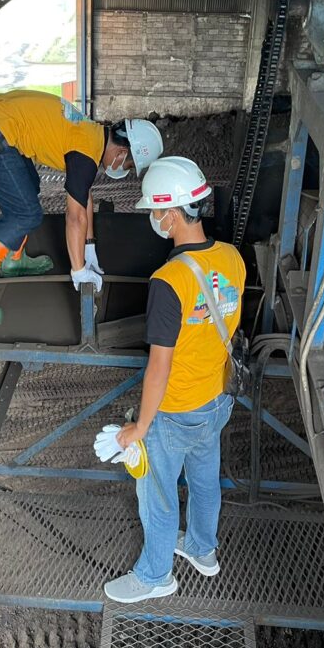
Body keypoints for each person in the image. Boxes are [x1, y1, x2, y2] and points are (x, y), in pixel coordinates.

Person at [103, 156, 246, 604]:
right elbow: (229, 326)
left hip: (176, 408)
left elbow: (159, 367)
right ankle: (203, 550)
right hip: (217, 399)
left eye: (155, 210)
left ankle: (155, 576)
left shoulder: (168, 281)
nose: (154, 218)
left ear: (171, 213)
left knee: (159, 496)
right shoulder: (232, 258)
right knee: (204, 481)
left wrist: (140, 428)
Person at [0, 89, 164, 324]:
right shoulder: (85, 152)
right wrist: (78, 270)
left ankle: (12, 260)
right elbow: (75, 217)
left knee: (28, 188)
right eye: (129, 166)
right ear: (121, 153)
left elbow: (83, 195)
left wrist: (89, 247)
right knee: (25, 214)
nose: (123, 170)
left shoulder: (92, 135)